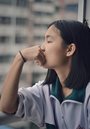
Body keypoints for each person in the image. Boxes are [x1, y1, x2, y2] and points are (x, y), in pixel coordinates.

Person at [0, 20, 90, 129]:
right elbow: (6, 106)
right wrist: (20, 58)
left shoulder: (87, 95)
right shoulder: (45, 91)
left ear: (69, 49)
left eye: (49, 41)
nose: (41, 47)